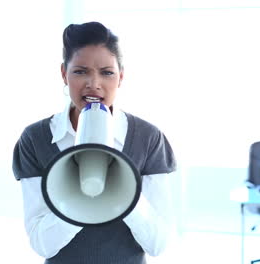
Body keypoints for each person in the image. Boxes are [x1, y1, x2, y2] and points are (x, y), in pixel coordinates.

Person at [12, 21, 177, 264]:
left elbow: (158, 244)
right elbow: (42, 244)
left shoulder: (148, 138)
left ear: (120, 77)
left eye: (107, 73)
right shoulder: (35, 139)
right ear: (63, 74)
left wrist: (123, 195)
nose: (94, 83)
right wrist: (77, 202)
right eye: (80, 71)